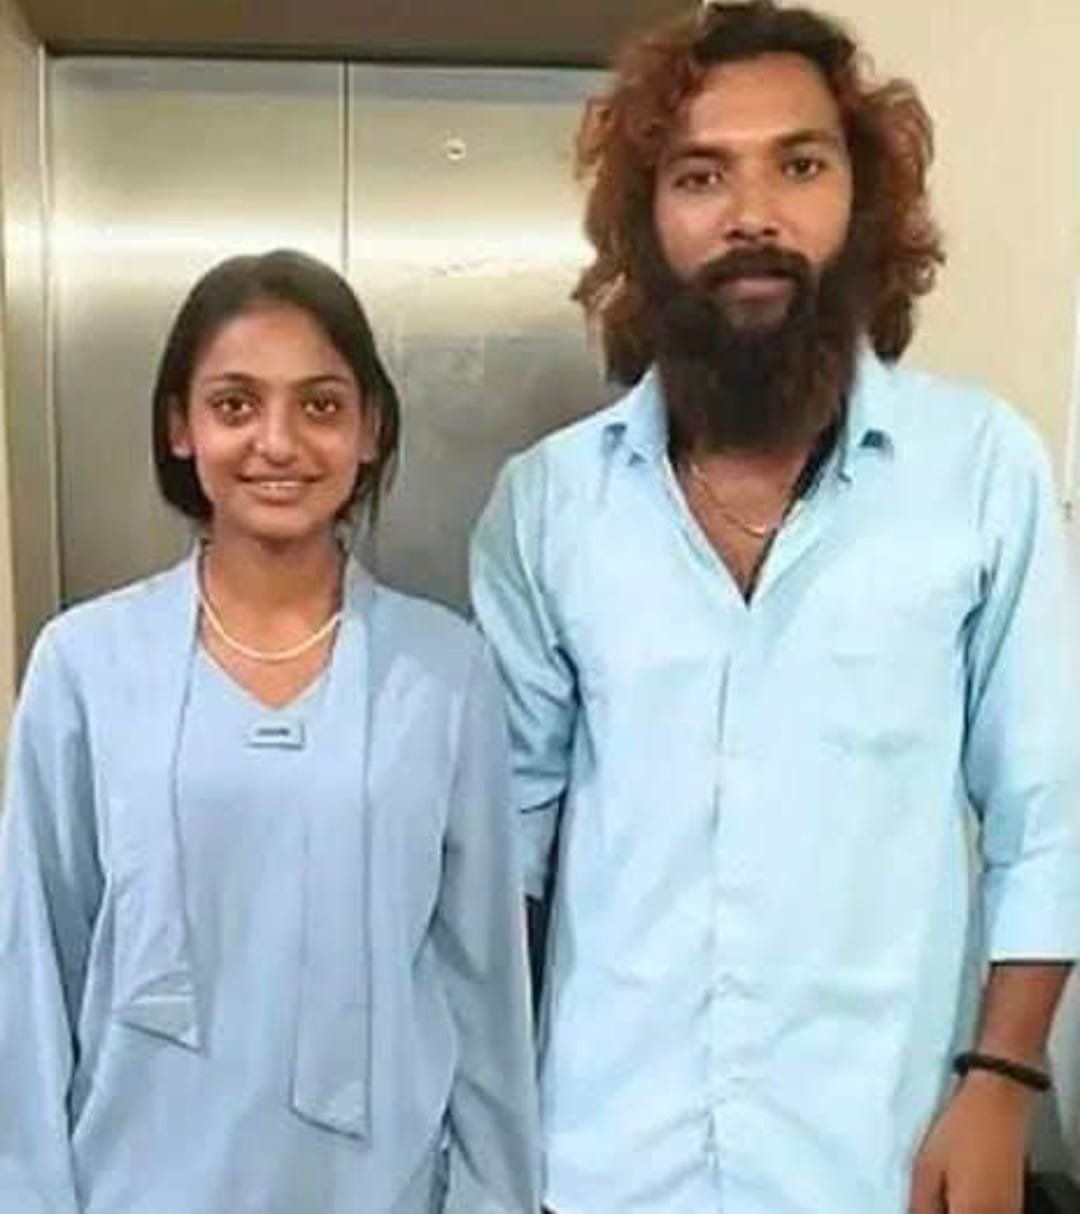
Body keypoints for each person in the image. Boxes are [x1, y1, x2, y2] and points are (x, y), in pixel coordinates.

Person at [470, 4, 1080, 1213]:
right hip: (604, 1163)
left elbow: (1048, 808)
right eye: (701, 175)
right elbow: (502, 855)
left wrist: (1003, 1084)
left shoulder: (980, 471)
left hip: (882, 1158)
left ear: (865, 201)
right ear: (645, 220)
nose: (752, 214)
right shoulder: (548, 505)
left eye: (800, 166)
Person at [0, 249, 539, 1214]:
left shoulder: (444, 674)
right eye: (235, 404)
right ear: (181, 426)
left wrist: (494, 1196)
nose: (277, 442)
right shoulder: (84, 665)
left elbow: (484, 982)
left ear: (370, 429)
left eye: (321, 405)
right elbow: (31, 972)